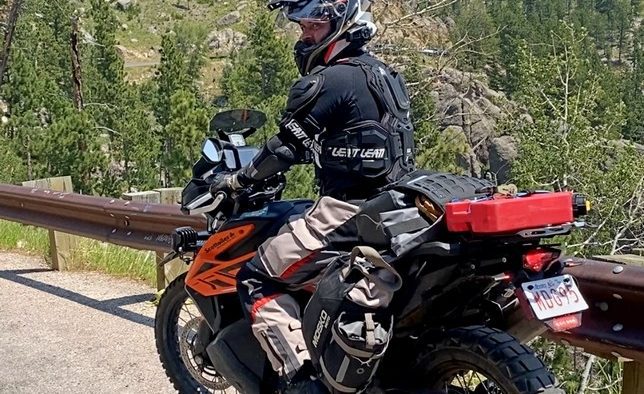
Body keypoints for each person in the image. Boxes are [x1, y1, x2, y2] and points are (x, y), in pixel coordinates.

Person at [210, 0, 416, 392]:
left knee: (256, 276)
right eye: (302, 27)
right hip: (397, 207)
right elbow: (351, 138)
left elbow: (286, 147)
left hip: (350, 209)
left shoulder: (329, 81)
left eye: (313, 27)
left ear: (340, 24)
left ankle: (303, 381)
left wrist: (240, 180)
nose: (304, 36)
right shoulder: (385, 75)